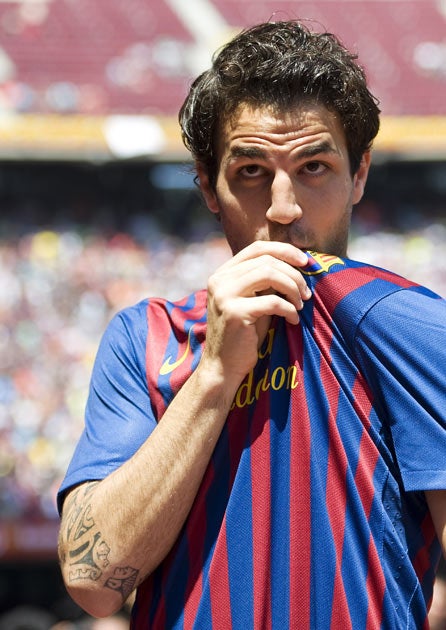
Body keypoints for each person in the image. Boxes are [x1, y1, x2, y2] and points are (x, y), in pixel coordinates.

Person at [57, 20, 446, 628]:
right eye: (251, 172)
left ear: (360, 174)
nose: (283, 208)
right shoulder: (146, 337)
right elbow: (93, 582)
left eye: (314, 167)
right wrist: (214, 374)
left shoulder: (410, 324)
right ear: (208, 186)